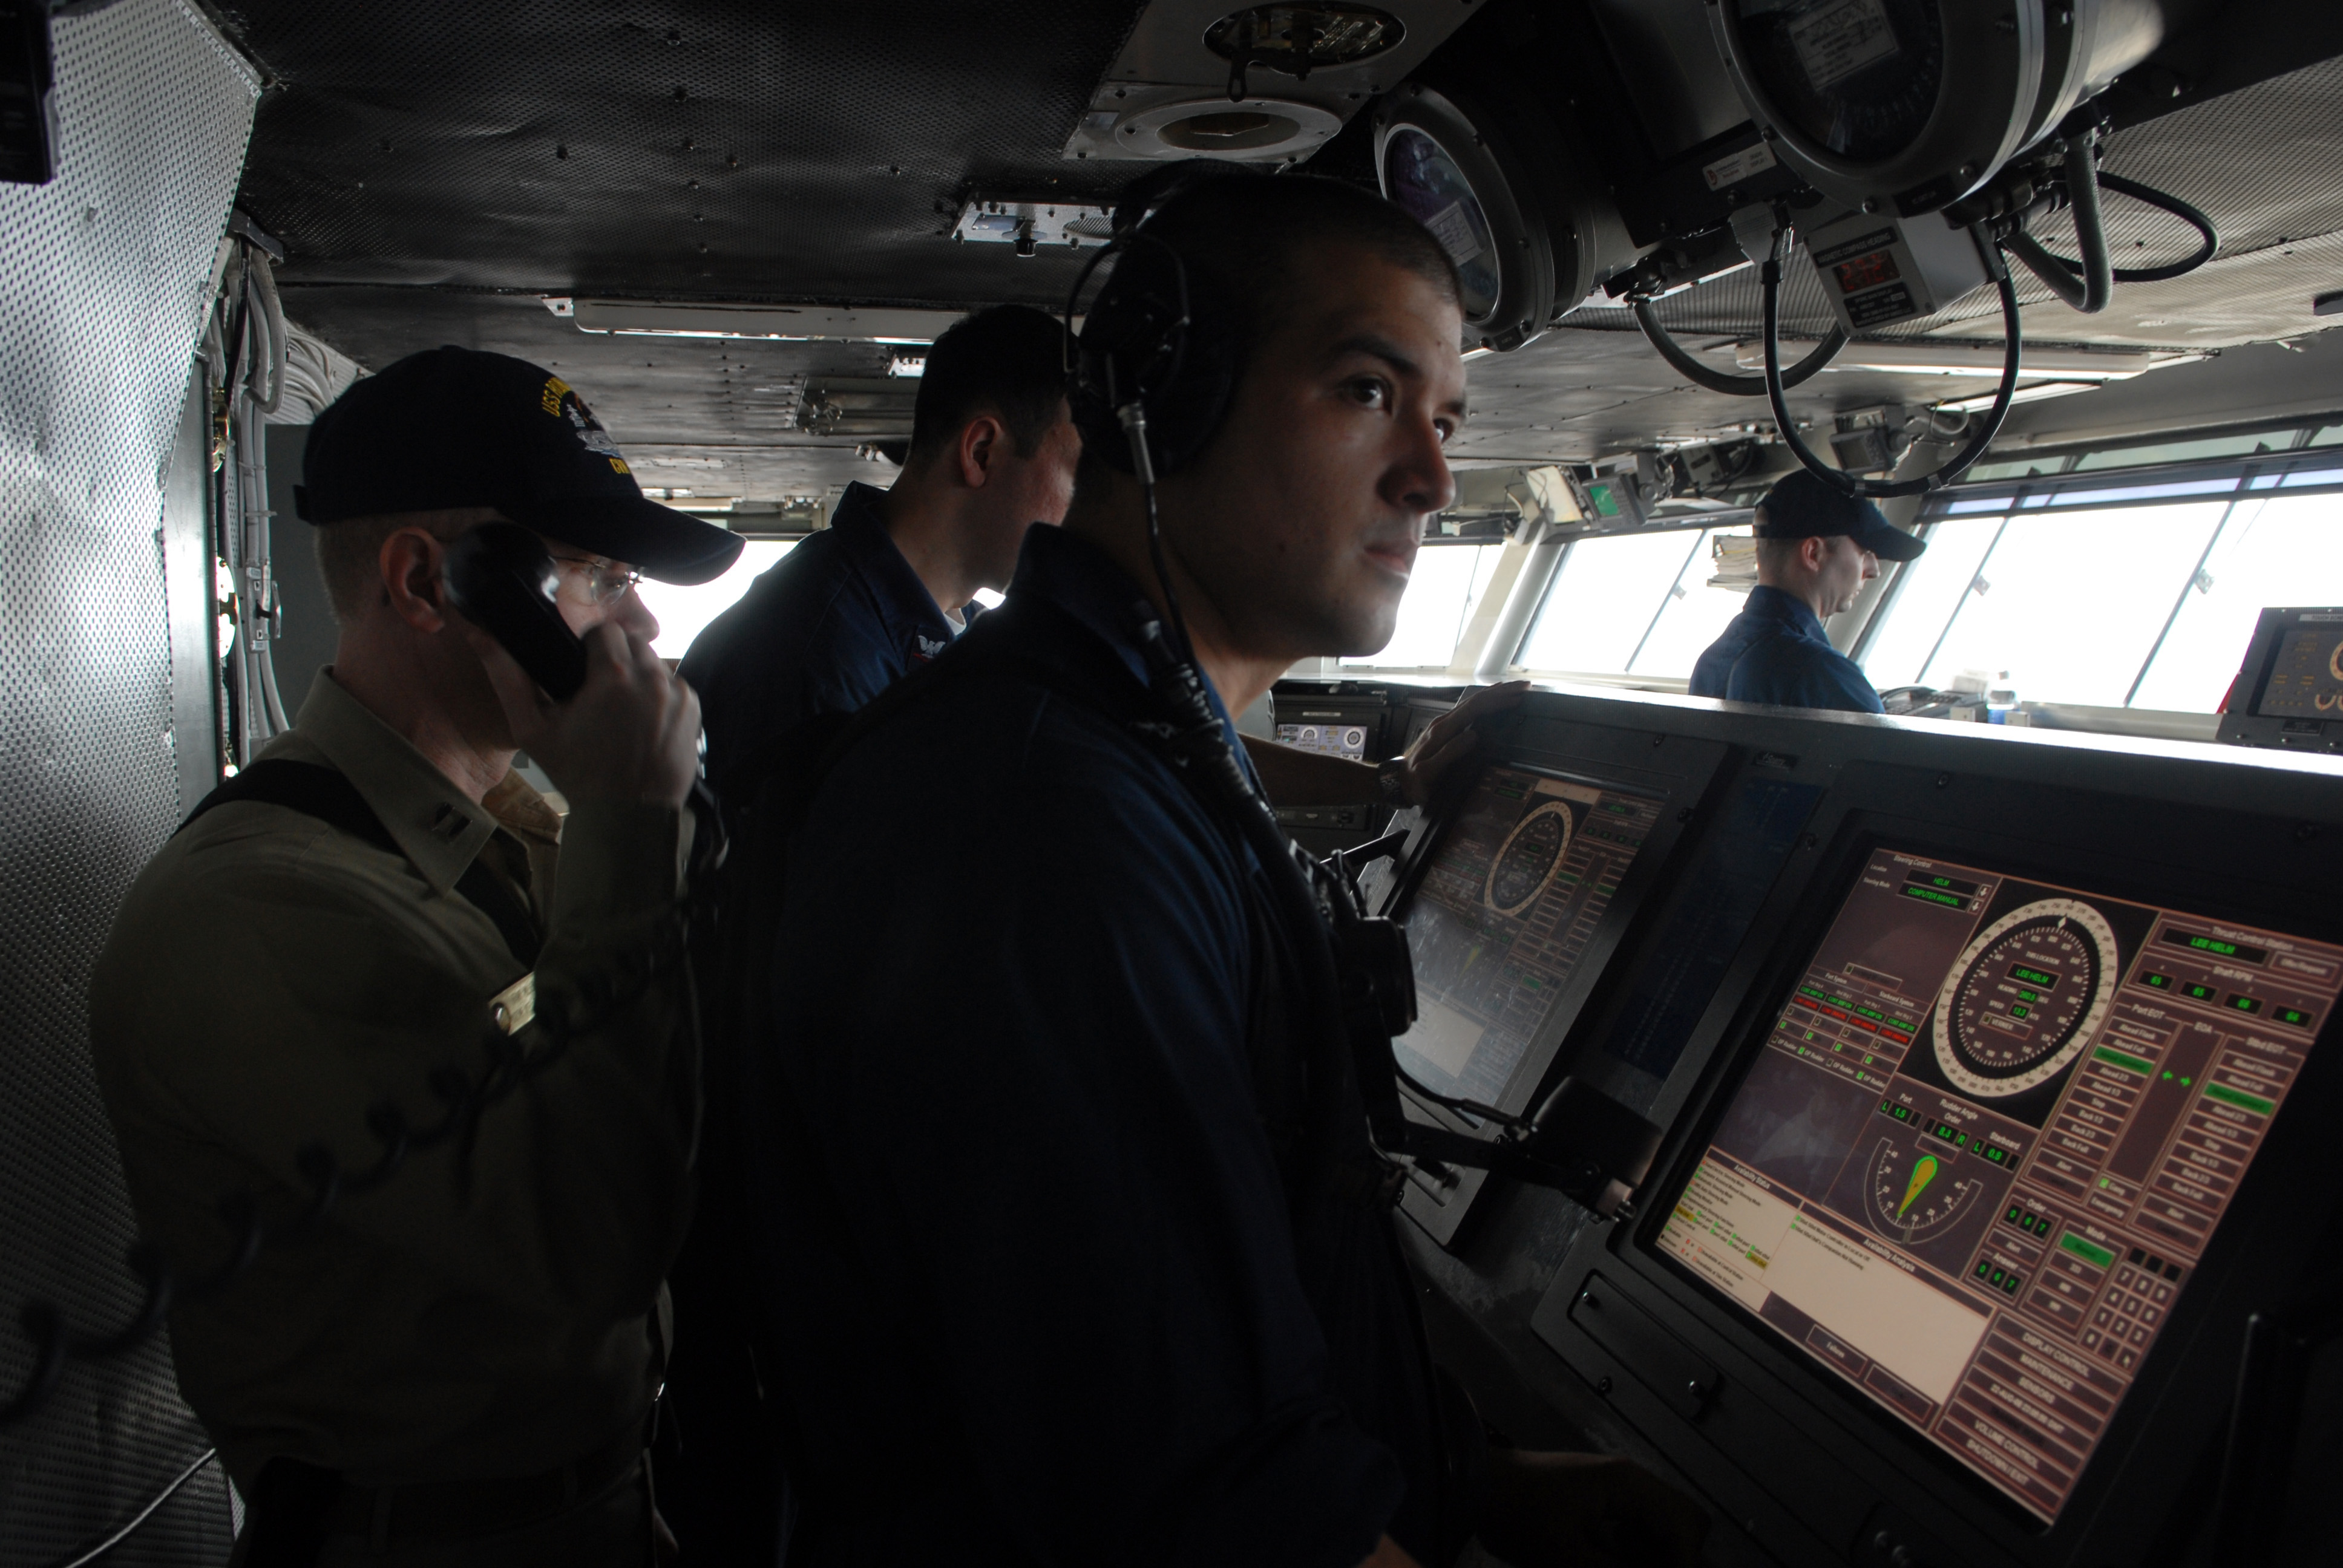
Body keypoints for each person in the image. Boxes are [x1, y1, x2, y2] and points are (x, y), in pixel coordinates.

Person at [741, 174, 1707, 1567]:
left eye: (1443, 421)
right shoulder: (1042, 828)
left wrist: (1476, 1485)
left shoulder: (1126, 755)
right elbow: (1194, 1504)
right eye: (1370, 392)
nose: (1433, 478)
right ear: (1161, 392)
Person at [88, 346, 736, 1566]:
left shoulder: (517, 836)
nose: (642, 620)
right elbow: (588, 1237)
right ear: (431, 583)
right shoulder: (257, 910)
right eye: (598, 572)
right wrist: (629, 821)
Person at [680, 304, 1083, 815]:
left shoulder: (944, 637)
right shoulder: (815, 657)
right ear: (982, 452)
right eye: (1079, 480)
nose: (1088, 516)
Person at [1687, 469, 1926, 714]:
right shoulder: (1819, 672)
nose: (1874, 570)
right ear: (1814, 553)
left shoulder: (1713, 660)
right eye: (1865, 552)